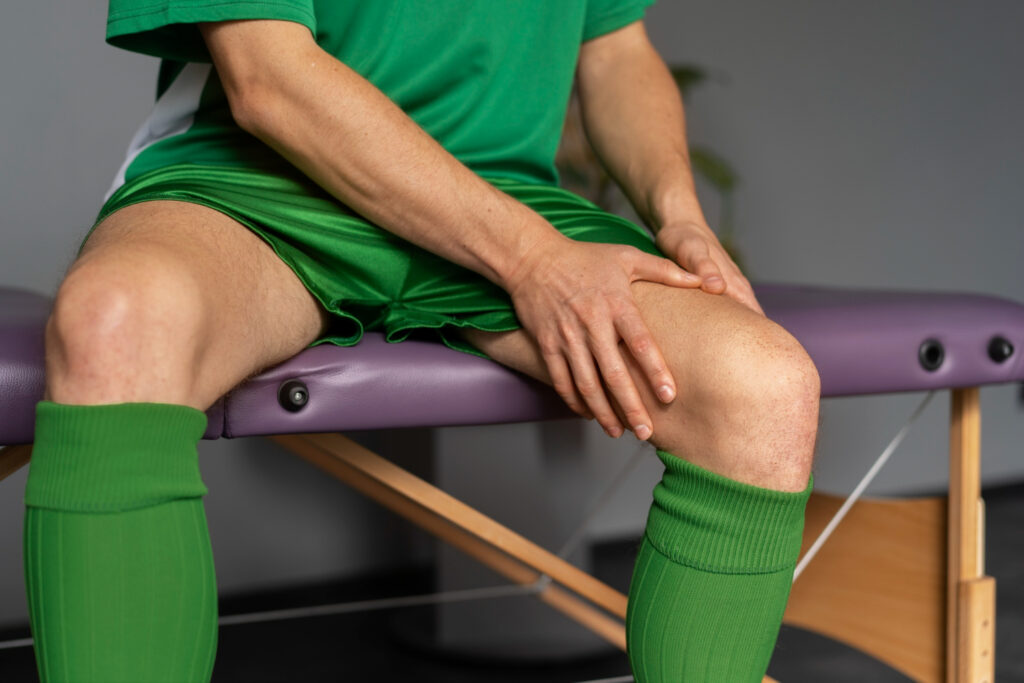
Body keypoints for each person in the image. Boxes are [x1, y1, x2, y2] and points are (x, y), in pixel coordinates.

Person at [23, 1, 819, 681]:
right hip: (261, 182)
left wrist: (679, 214)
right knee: (116, 324)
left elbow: (616, 50)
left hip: (500, 192)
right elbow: (268, 79)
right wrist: (531, 259)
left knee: (762, 385)